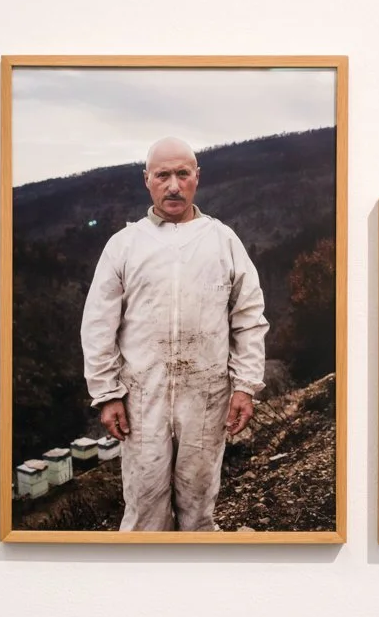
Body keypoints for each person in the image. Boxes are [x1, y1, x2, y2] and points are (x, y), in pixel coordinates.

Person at [80, 136, 268, 531]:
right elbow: (99, 324)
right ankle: (143, 587)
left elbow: (248, 316)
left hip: (207, 396)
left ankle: (195, 585)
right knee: (145, 510)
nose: (173, 185)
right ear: (146, 179)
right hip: (141, 398)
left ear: (197, 177)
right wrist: (106, 394)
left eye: (183, 174)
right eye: (163, 175)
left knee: (198, 507)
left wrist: (245, 385)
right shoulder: (124, 246)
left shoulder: (222, 241)